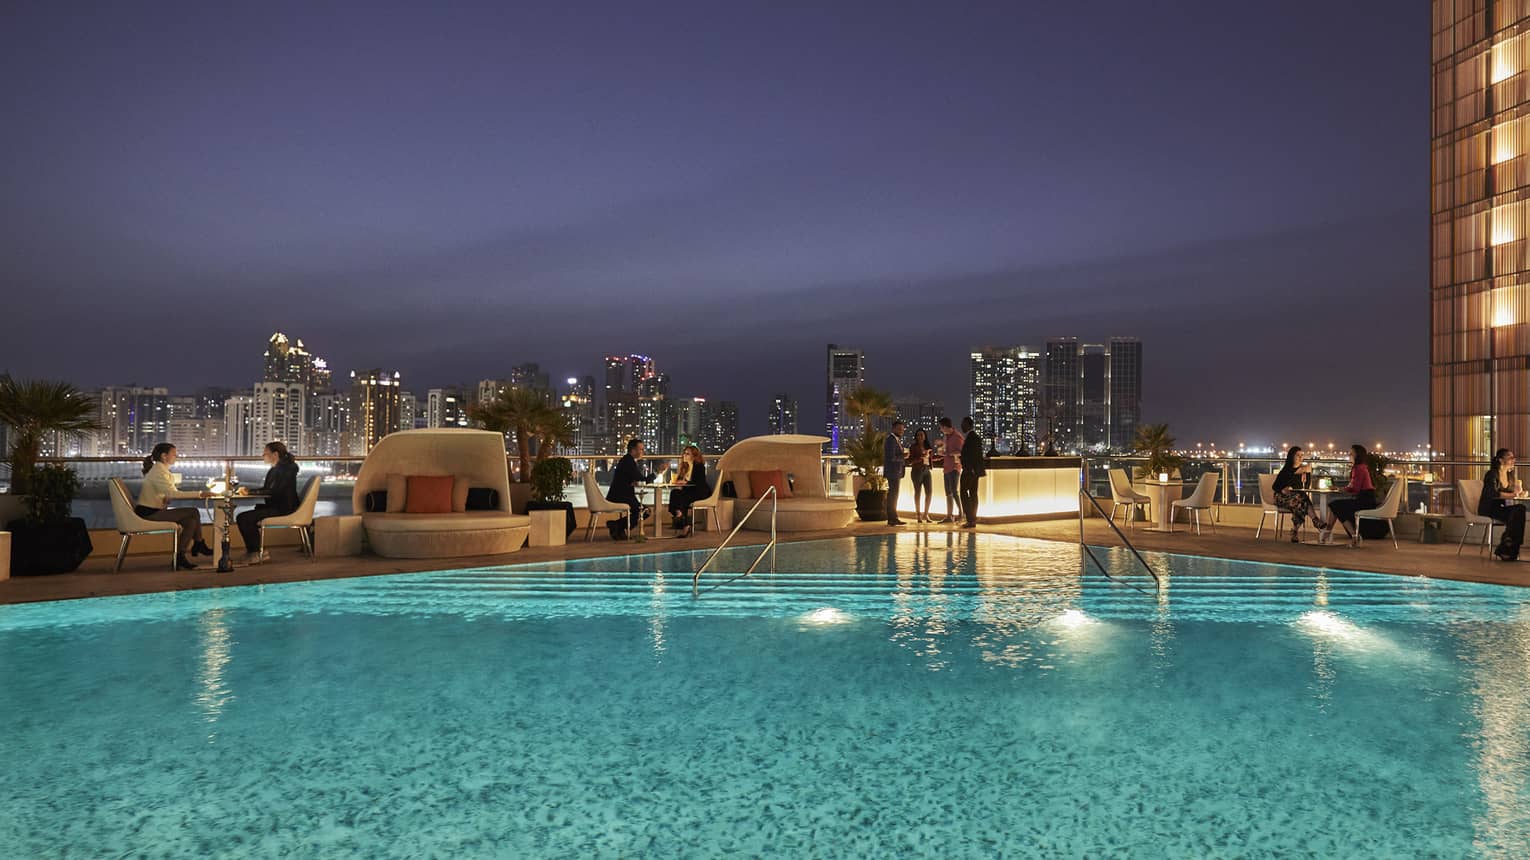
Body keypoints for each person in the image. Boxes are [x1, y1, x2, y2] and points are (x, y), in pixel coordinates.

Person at [135, 442, 213, 570]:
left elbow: (168, 492)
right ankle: (199, 543)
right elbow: (173, 493)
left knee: (191, 521)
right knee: (193, 511)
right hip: (148, 513)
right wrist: (200, 494)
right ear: (164, 456)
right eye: (174, 454)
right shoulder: (158, 472)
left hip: (154, 510)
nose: (176, 457)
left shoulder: (162, 471)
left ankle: (180, 556)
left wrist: (166, 497)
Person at [235, 441, 301, 564]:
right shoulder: (277, 469)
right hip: (278, 506)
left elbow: (275, 491)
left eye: (265, 453)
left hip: (284, 508)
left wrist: (251, 492)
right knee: (246, 517)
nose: (263, 456)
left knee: (243, 518)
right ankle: (256, 551)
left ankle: (256, 552)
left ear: (275, 454)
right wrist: (249, 491)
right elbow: (269, 489)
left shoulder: (287, 469)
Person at [1316, 444, 1376, 545]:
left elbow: (1355, 488)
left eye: (1351, 453)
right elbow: (1354, 486)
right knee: (1336, 506)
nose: (1349, 455)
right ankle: (1349, 535)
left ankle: (1332, 533)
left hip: (1364, 500)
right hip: (1367, 499)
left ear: (1357, 455)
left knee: (1336, 506)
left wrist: (1339, 489)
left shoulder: (1358, 468)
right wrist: (1342, 488)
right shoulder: (1362, 467)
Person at [1480, 448, 1525, 562]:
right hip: (1489, 508)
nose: (1513, 460)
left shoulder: (1510, 475)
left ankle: (1507, 549)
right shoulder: (1492, 474)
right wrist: (1512, 495)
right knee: (1516, 517)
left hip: (1501, 508)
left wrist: (1519, 493)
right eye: (1510, 458)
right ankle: (1508, 550)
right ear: (1501, 460)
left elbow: (1511, 493)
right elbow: (1492, 493)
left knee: (1520, 510)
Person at [1272, 445, 1323, 543]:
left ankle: (1295, 531)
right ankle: (1315, 520)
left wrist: (1307, 473)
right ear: (1292, 457)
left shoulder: (1303, 470)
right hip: (1281, 497)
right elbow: (1275, 486)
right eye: (1297, 455)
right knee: (1301, 500)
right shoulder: (1286, 470)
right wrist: (1283, 490)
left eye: (1301, 455)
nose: (1300, 457)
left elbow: (1305, 487)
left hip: (1297, 498)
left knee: (1300, 502)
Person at [606, 438, 654, 540]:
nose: (643, 451)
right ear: (633, 450)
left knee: (642, 510)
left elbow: (636, 479)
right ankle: (617, 526)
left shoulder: (627, 460)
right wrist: (656, 473)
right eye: (641, 449)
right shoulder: (628, 462)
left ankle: (618, 527)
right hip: (621, 497)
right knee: (645, 511)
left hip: (620, 495)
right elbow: (642, 480)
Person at [667, 445, 711, 538]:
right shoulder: (684, 467)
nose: (684, 455)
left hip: (700, 492)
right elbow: (680, 480)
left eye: (687, 454)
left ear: (694, 456)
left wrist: (686, 482)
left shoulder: (699, 466)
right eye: (684, 453)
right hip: (688, 491)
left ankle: (683, 522)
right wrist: (676, 481)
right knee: (674, 493)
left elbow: (699, 482)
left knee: (682, 498)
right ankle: (678, 513)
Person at [959, 416, 985, 528]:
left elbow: (972, 455)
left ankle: (970, 519)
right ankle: (972, 519)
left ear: (968, 425)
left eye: (963, 424)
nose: (961, 426)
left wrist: (969, 467)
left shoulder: (971, 438)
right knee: (973, 494)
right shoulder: (975, 437)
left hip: (969, 471)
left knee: (963, 493)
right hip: (974, 471)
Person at [938, 417, 964, 523]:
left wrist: (947, 453)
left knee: (954, 491)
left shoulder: (957, 437)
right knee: (948, 492)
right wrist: (943, 451)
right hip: (947, 467)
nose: (940, 429)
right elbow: (946, 451)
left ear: (945, 427)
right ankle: (949, 516)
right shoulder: (946, 437)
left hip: (954, 467)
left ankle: (961, 513)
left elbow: (961, 452)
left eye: (941, 427)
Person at [907, 429, 934, 523]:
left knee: (929, 492)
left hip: (927, 470)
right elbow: (910, 461)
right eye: (918, 435)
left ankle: (926, 514)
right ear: (916, 437)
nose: (921, 436)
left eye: (922, 435)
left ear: (925, 436)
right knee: (918, 492)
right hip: (917, 470)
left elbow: (930, 459)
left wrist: (943, 456)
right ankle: (918, 514)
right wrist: (921, 457)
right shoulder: (913, 447)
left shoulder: (928, 447)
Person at [883, 420, 907, 525]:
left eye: (902, 429)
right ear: (893, 429)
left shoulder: (896, 440)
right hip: (893, 472)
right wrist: (903, 456)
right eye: (899, 429)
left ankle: (893, 517)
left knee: (894, 495)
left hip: (895, 472)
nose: (901, 431)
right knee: (893, 495)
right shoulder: (891, 440)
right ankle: (892, 518)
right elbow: (891, 457)